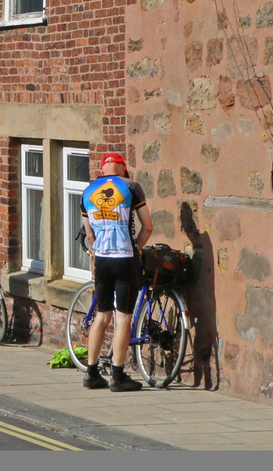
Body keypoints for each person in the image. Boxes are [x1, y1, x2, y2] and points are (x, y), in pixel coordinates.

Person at [81, 152, 153, 392]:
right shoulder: (131, 186)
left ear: (102, 170)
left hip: (101, 259)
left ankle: (91, 373)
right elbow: (148, 226)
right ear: (122, 169)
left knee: (102, 315)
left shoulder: (88, 191)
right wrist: (138, 249)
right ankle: (118, 376)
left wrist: (99, 249)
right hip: (125, 258)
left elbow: (89, 235)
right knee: (123, 317)